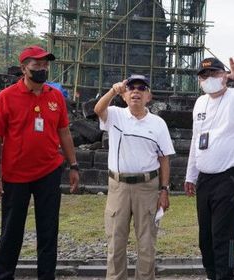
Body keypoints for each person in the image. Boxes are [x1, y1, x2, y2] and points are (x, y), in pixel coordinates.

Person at [0, 45, 80, 280]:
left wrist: (74, 165)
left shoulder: (55, 95)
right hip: (16, 174)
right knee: (11, 231)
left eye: (45, 64)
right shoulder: (6, 98)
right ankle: (4, 276)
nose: (42, 68)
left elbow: (64, 132)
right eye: (36, 64)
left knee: (48, 231)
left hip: (49, 171)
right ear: (24, 67)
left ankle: (46, 277)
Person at [94, 74, 175, 280]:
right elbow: (98, 110)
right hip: (118, 186)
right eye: (131, 88)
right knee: (116, 242)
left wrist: (164, 190)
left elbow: (164, 159)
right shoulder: (115, 115)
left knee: (147, 243)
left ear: (149, 96)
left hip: (147, 187)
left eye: (141, 88)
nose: (136, 91)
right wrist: (113, 90)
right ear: (125, 95)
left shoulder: (158, 124)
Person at [184, 57, 234, 280]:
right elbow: (197, 139)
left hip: (230, 177)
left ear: (224, 75)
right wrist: (191, 174)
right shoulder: (200, 103)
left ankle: (225, 276)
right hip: (206, 177)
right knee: (205, 236)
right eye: (203, 76)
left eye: (213, 74)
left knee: (223, 236)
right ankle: (211, 274)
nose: (208, 80)